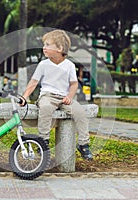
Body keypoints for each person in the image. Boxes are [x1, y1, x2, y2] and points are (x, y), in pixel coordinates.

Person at [19, 29, 92, 160]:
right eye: (44, 44)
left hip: (64, 98)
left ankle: (83, 144)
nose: (44, 47)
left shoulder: (69, 65)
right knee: (46, 108)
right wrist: (24, 97)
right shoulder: (43, 64)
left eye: (47, 45)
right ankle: (43, 141)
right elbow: (33, 82)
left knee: (80, 112)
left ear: (59, 48)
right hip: (47, 96)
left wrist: (69, 97)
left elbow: (74, 84)